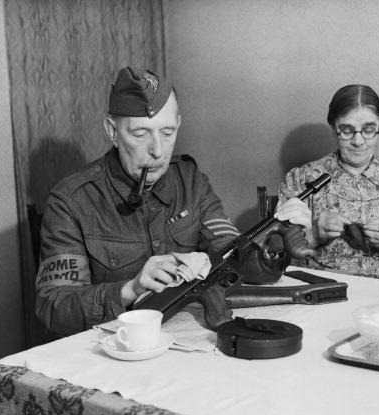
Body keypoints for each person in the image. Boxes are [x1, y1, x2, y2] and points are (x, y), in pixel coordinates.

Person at [35, 66, 311, 336]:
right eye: (140, 134)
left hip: (182, 340)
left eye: (167, 133)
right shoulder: (71, 200)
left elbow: (234, 261)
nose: (157, 150)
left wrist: (274, 239)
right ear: (113, 132)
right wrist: (130, 289)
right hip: (111, 349)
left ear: (178, 125)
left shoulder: (191, 183)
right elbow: (53, 308)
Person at [278, 84, 379, 279]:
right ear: (333, 128)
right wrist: (315, 235)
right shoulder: (301, 179)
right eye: (347, 130)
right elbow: (278, 258)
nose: (358, 141)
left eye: (368, 129)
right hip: (319, 291)